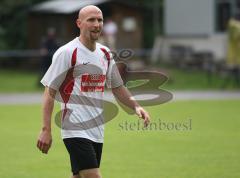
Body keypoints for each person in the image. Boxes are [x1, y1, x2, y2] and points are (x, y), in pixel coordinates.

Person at [36, 5, 150, 178]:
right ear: (79, 23)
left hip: (96, 130)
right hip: (74, 127)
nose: (97, 24)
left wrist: (136, 106)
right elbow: (49, 92)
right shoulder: (67, 52)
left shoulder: (105, 53)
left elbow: (117, 87)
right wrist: (46, 129)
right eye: (91, 20)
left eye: (100, 20)